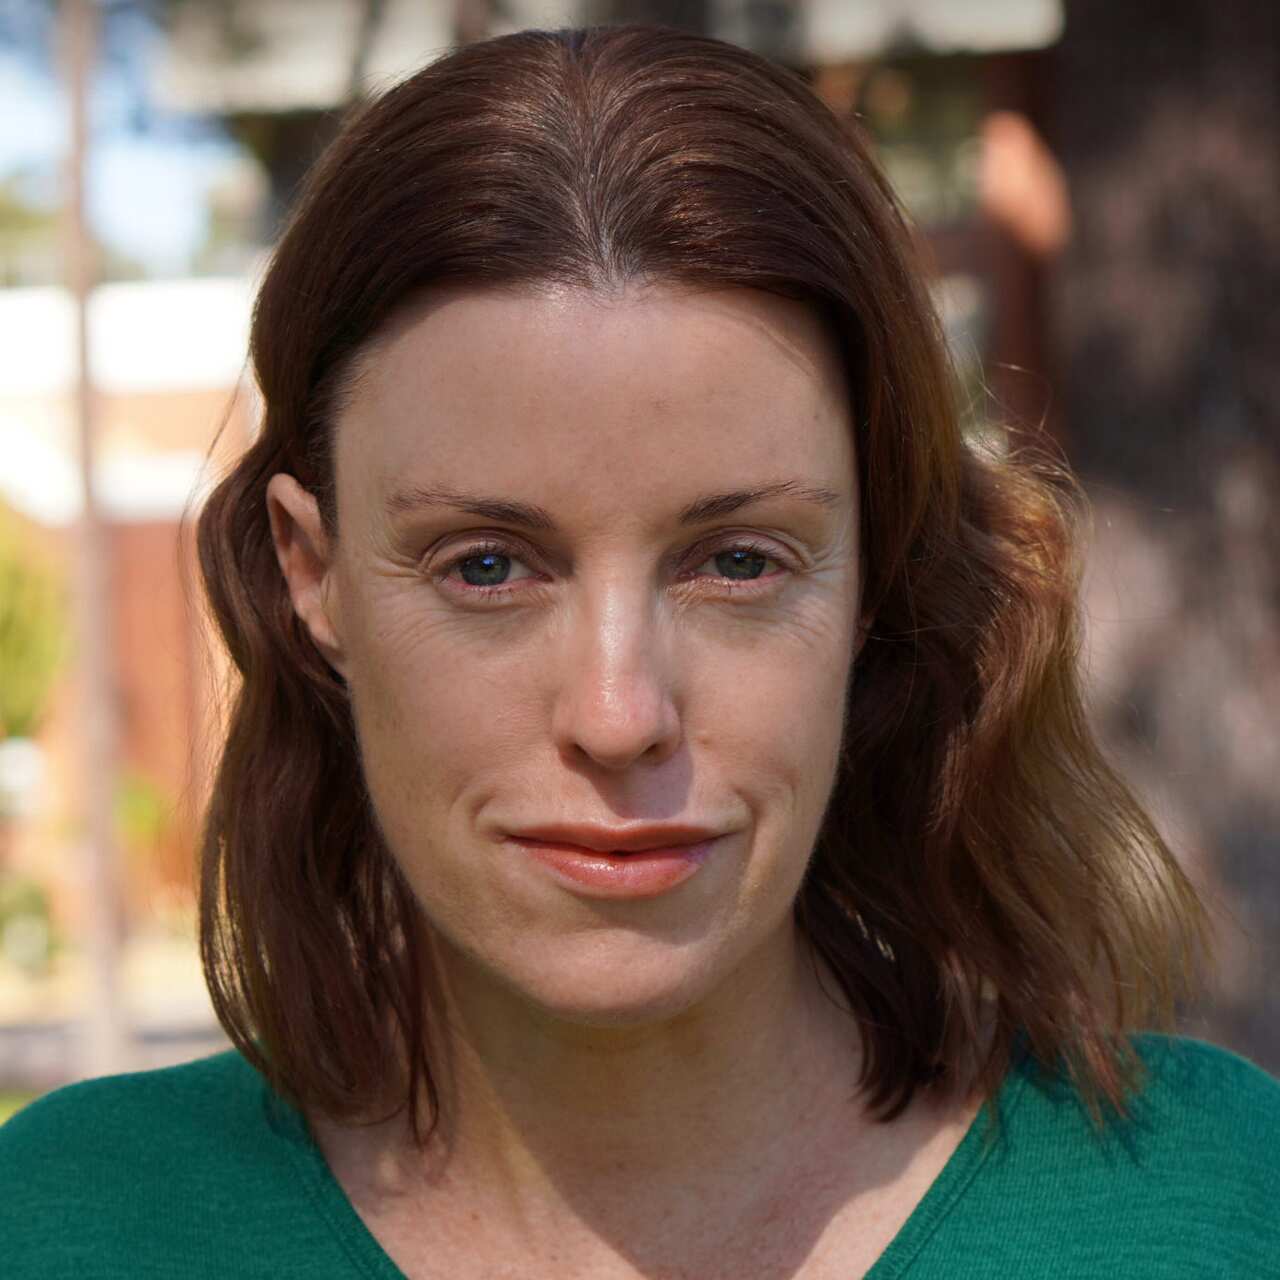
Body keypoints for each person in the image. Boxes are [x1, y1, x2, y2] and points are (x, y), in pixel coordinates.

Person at [3, 22, 1278, 1279]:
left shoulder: (1211, 1200)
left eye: (736, 561)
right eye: (487, 565)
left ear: (877, 572)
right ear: (311, 574)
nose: (619, 714)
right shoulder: (66, 1222)